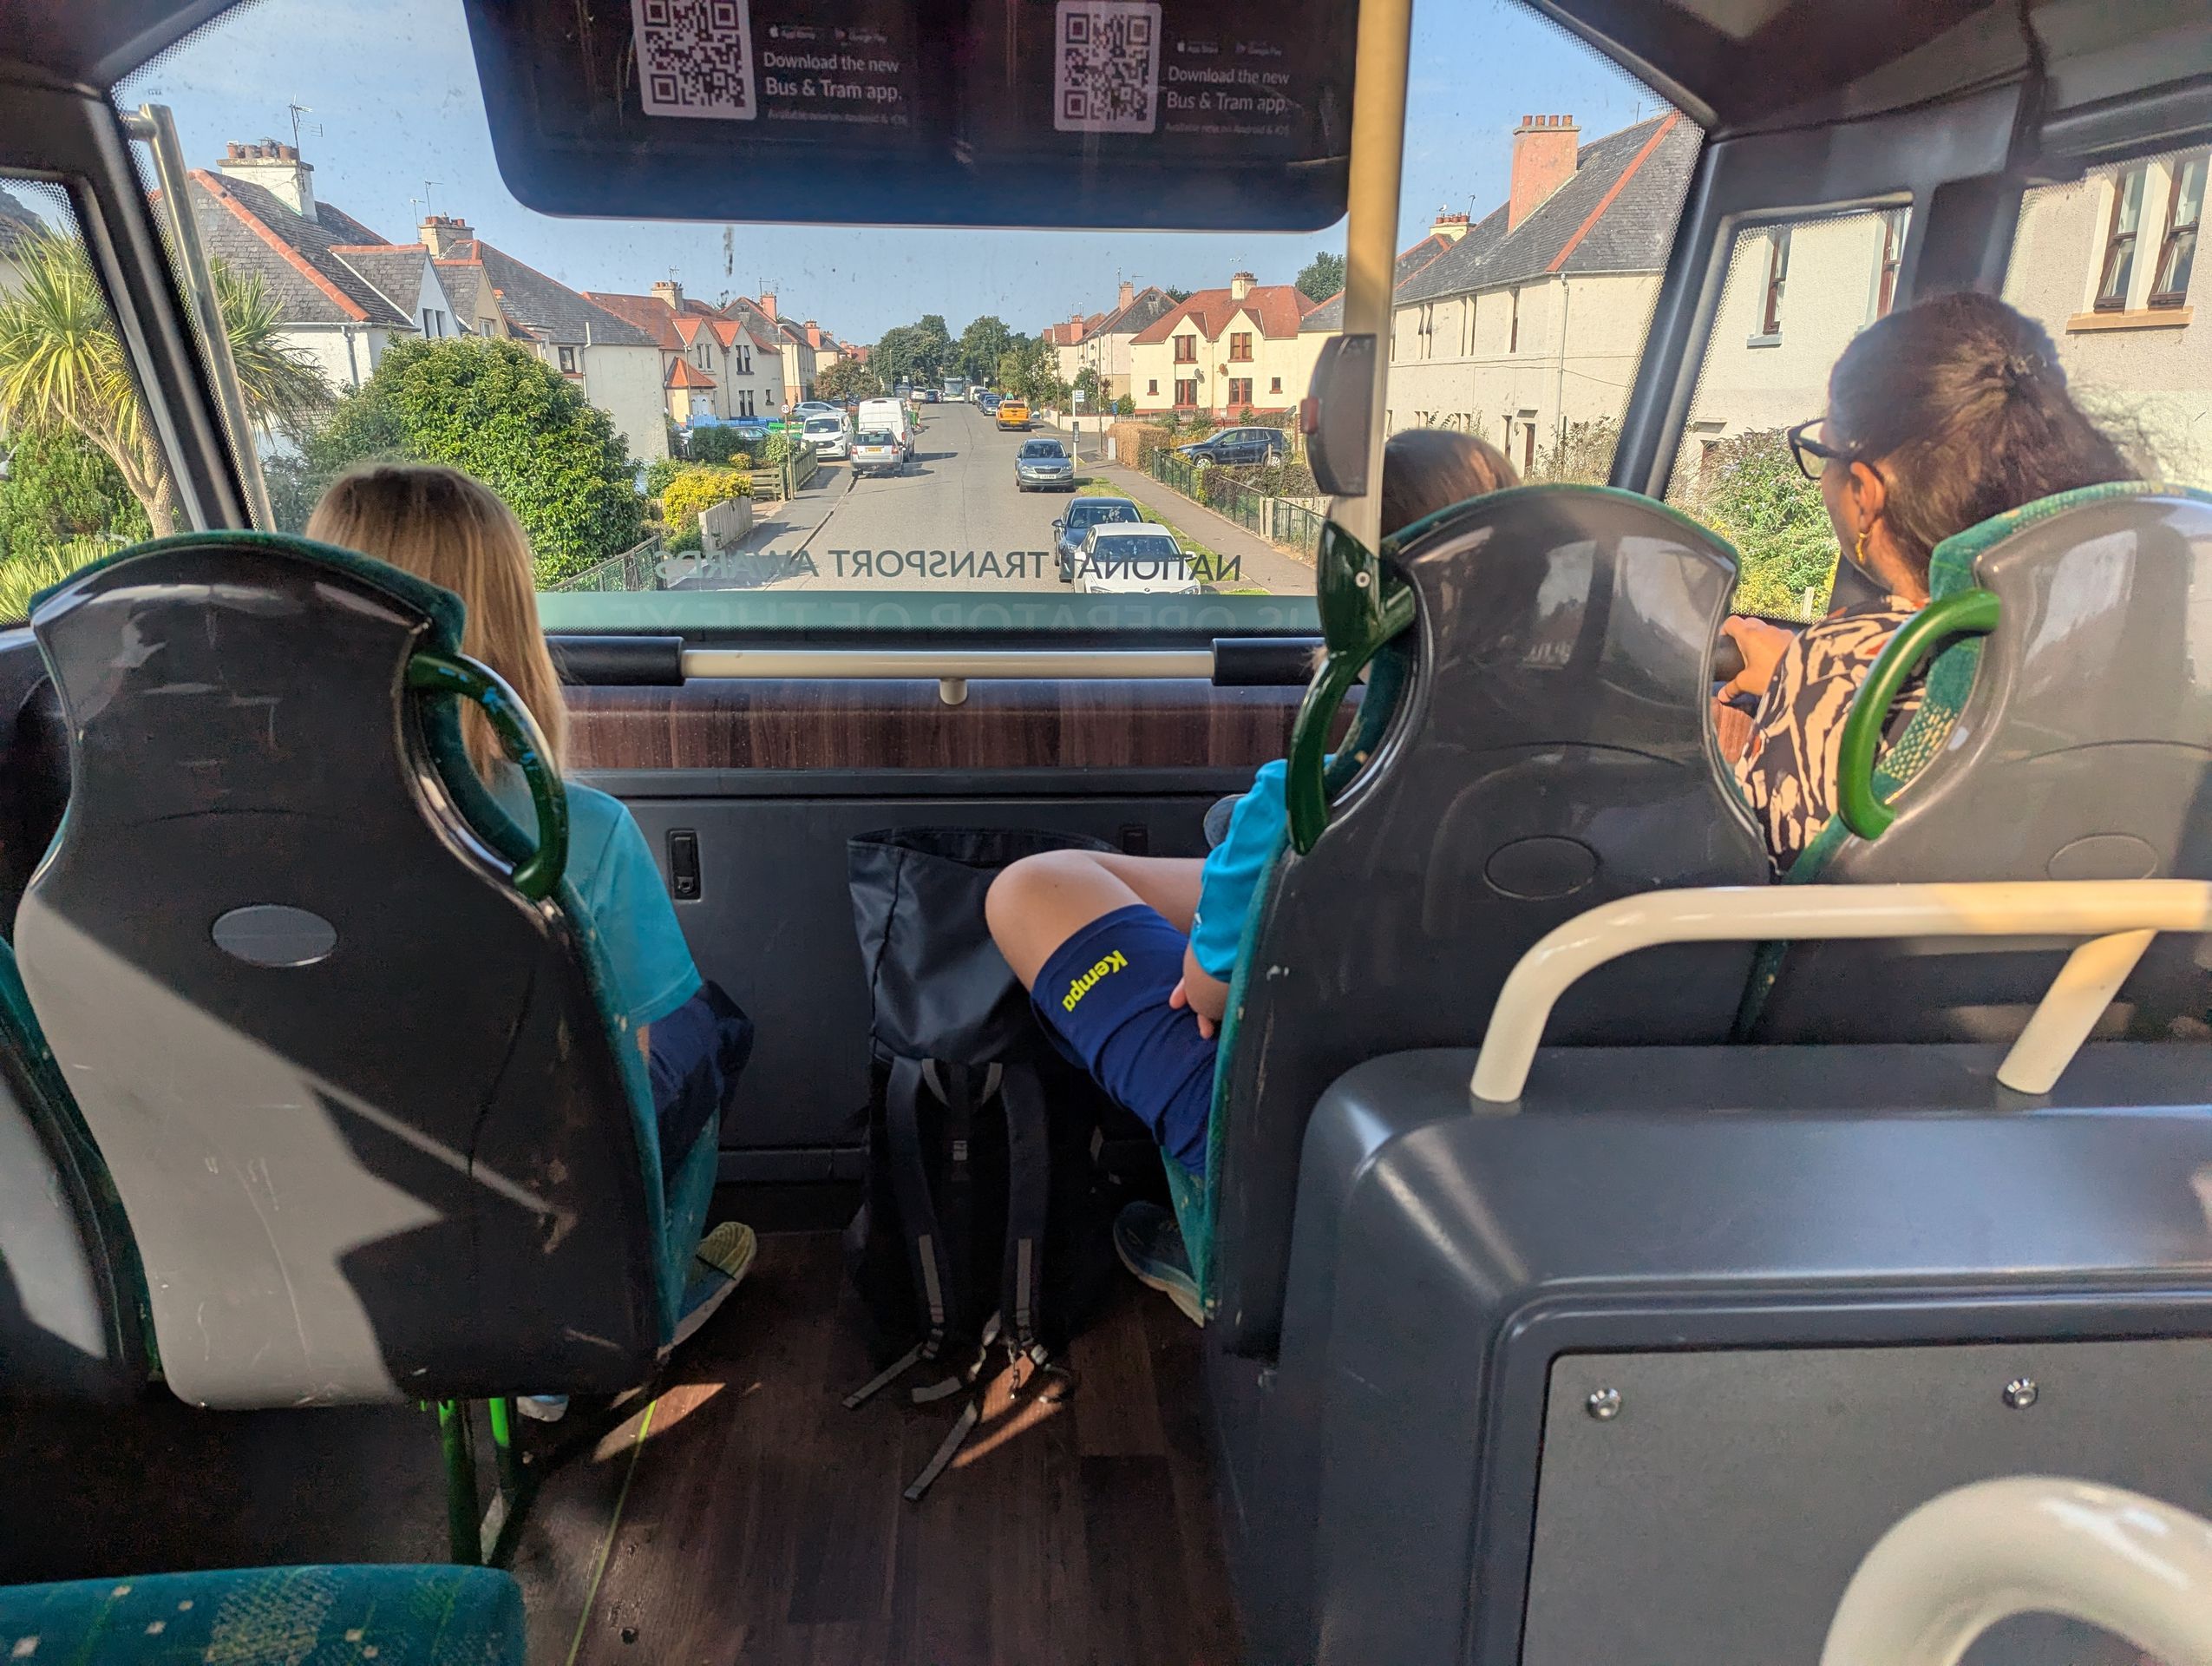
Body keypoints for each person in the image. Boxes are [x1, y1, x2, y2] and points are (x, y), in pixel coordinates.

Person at [985, 430, 1521, 1322]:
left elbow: (1204, 991)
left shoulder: (1306, 795)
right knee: (1230, 845)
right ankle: (1238, 889)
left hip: (1291, 1120)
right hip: (1503, 1110)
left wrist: (1213, 966)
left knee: (1027, 889)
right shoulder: (1607, 786)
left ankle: (1218, 1252)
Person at [305, 463, 756, 1418]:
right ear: (508, 634)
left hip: (330, 1190)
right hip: (522, 1191)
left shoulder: (241, 838)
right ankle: (604, 1330)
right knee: (710, 1029)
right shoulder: (576, 834)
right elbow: (629, 1070)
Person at [1718, 290, 2137, 874]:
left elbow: (1765, 875)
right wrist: (1802, 676)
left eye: (1822, 452)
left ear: (1865, 495)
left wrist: (1811, 679)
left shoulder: (1832, 659)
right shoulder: (2104, 634)